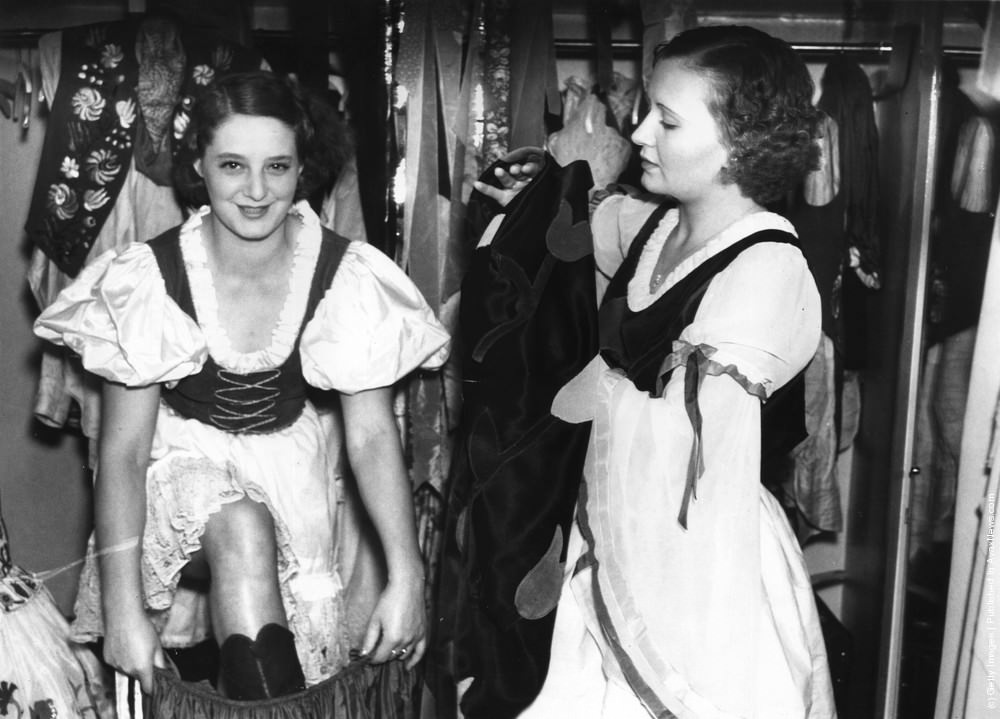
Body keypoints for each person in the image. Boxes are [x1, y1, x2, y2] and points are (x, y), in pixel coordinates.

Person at [34, 70, 450, 703]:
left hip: (292, 471)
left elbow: (369, 437)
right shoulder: (154, 275)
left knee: (280, 631)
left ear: (302, 168)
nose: (256, 191)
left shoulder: (346, 273)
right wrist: (121, 611)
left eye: (277, 167)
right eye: (232, 165)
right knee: (240, 527)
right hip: (175, 467)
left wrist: (408, 576)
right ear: (199, 164)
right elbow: (120, 453)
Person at [475, 25, 837, 718]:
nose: (638, 133)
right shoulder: (649, 226)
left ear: (743, 138)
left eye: (666, 120)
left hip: (701, 555)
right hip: (608, 531)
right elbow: (567, 237)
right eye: (645, 110)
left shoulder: (766, 269)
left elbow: (689, 455)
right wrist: (529, 200)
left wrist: (589, 389)